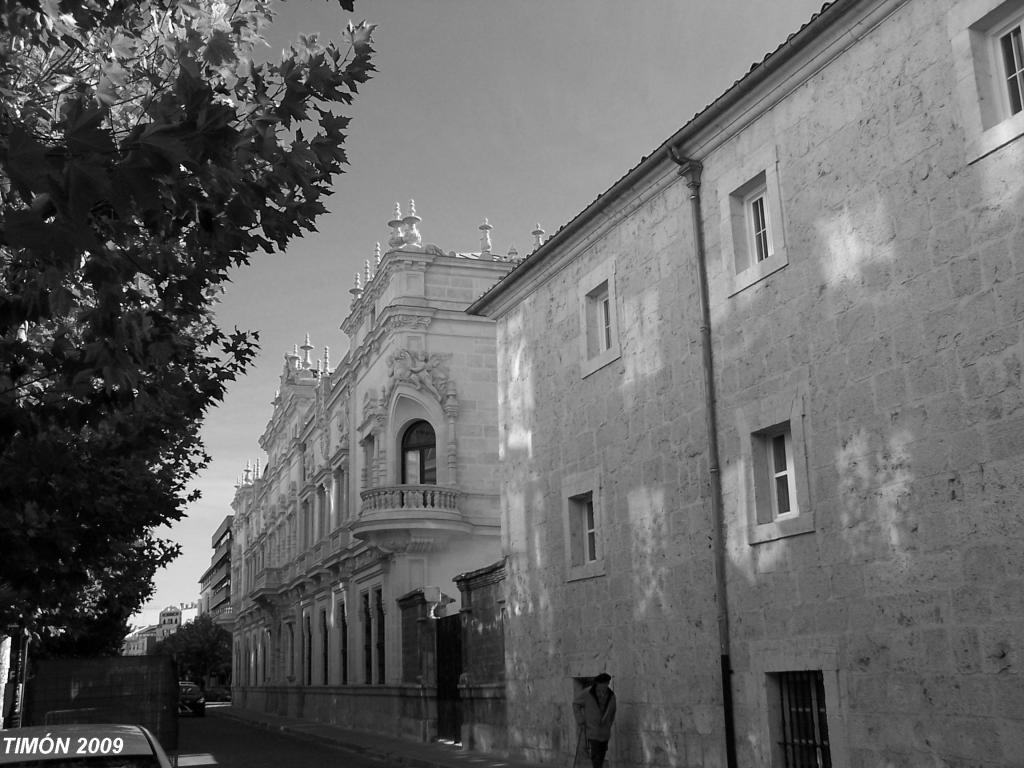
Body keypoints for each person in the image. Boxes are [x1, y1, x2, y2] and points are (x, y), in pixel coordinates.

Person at [573, 672, 617, 768]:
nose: (606, 686)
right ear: (598, 683)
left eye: (607, 683)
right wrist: (580, 719)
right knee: (596, 755)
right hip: (593, 730)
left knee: (601, 755)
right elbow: (576, 704)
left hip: (605, 732)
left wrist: (609, 723)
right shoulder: (587, 693)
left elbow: (613, 712)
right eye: (604, 684)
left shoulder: (612, 696)